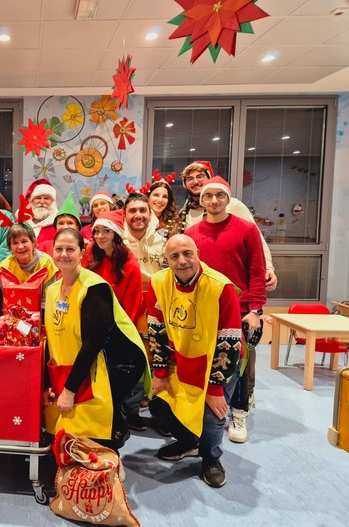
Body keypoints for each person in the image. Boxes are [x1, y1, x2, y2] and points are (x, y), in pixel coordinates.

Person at [147, 234, 242, 488]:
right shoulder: (158, 282)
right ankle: (190, 442)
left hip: (218, 362)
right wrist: (159, 373)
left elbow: (230, 343)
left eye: (187, 253)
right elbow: (156, 330)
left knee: (213, 415)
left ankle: (211, 459)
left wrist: (215, 389)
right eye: (174, 256)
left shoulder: (221, 287)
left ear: (198, 253)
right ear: (166, 260)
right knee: (159, 404)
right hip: (182, 360)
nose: (182, 261)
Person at [43, 228, 149, 451]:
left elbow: (93, 344)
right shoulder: (52, 289)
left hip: (121, 361)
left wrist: (70, 390)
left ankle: (111, 454)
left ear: (83, 252)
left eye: (70, 249)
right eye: (59, 249)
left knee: (98, 413)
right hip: (89, 358)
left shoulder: (95, 287)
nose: (64, 254)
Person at [185, 177, 266, 444]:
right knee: (208, 361)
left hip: (241, 309)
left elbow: (256, 269)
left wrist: (256, 309)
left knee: (239, 365)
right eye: (209, 196)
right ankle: (202, 413)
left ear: (228, 198)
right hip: (205, 309)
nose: (214, 201)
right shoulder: (192, 233)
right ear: (202, 200)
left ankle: (239, 413)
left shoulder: (246, 229)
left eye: (220, 195)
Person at [177, 160, 278, 291]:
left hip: (235, 284)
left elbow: (257, 241)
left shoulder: (232, 205)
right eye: (189, 178)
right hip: (202, 287)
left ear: (209, 178)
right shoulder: (184, 213)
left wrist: (268, 268)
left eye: (200, 176)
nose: (195, 181)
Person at [122, 192, 166, 293]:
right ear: (124, 215)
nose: (138, 215)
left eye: (142, 210)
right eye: (132, 211)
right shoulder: (117, 244)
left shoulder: (165, 242)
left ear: (150, 214)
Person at [0, 222, 59, 294]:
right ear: (10, 247)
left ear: (33, 243)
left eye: (24, 241)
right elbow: (6, 299)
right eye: (15, 243)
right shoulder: (4, 268)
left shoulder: (47, 263)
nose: (20, 247)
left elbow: (49, 298)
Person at [36, 192, 81, 257]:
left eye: (70, 223)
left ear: (77, 227)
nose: (65, 227)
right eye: (61, 223)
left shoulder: (85, 247)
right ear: (56, 227)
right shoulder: (43, 247)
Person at [23, 178, 59, 243]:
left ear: (53, 201)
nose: (42, 202)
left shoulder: (58, 224)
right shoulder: (21, 222)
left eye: (46, 198)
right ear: (31, 200)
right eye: (38, 198)